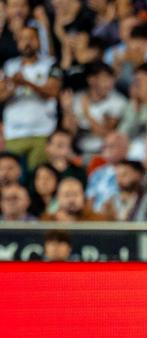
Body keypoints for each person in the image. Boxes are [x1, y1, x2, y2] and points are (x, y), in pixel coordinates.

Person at [0, 26, 62, 170]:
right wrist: (14, 86)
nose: (27, 42)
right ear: (17, 42)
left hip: (42, 132)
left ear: (39, 40)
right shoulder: (9, 66)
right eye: (23, 39)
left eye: (31, 38)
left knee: (39, 176)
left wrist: (26, 82)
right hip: (14, 133)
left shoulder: (50, 64)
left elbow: (53, 92)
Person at [42, 177, 106, 221]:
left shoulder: (96, 220)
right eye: (67, 195)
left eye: (75, 195)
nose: (71, 200)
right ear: (58, 198)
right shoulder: (47, 221)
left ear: (83, 197)